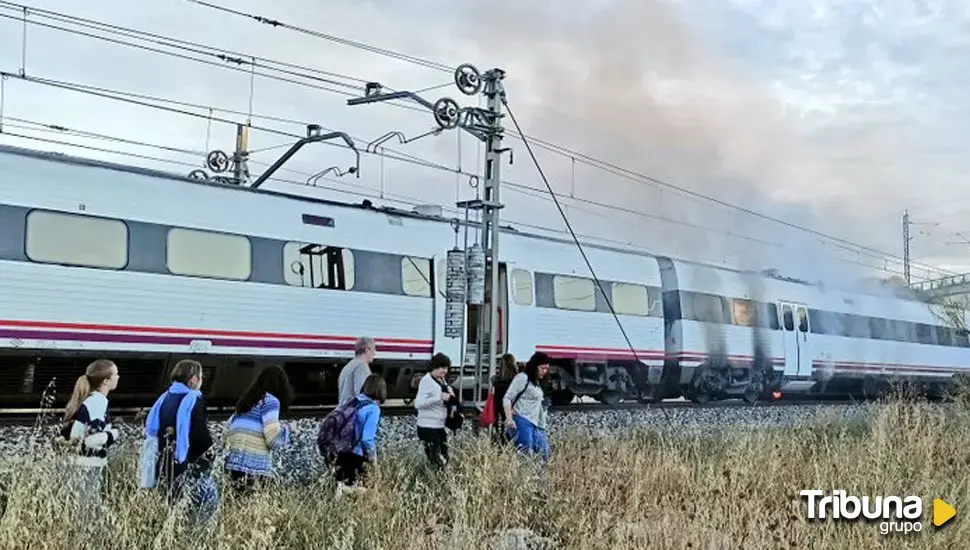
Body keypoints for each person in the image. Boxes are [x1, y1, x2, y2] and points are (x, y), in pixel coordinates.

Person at [144, 359, 216, 524]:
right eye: (200, 377)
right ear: (193, 380)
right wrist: (210, 455)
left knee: (172, 503)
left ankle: (172, 533)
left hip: (164, 460)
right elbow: (199, 433)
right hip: (187, 461)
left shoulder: (165, 397)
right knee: (205, 503)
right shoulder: (193, 399)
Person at [59, 359, 121, 517]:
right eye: (116, 374)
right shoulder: (97, 402)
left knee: (81, 508)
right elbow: (91, 439)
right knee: (86, 511)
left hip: (79, 463)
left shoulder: (90, 399)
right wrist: (113, 434)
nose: (118, 377)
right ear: (106, 381)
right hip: (87, 464)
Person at [224, 365, 294, 493]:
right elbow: (273, 439)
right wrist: (288, 429)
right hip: (255, 466)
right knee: (257, 502)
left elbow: (227, 428)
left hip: (233, 461)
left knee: (237, 503)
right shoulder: (271, 402)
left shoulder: (247, 400)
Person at [334, 374, 386, 496]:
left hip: (340, 450)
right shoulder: (373, 409)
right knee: (360, 490)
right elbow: (367, 439)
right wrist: (374, 461)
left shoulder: (351, 400)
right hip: (356, 454)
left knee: (340, 486)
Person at [503, 352, 552, 464]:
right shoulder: (522, 378)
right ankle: (526, 478)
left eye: (547, 368)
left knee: (545, 452)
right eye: (542, 368)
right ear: (535, 367)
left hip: (536, 424)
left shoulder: (536, 382)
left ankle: (539, 478)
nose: (545, 371)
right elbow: (507, 398)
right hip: (522, 420)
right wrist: (509, 419)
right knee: (525, 454)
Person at [413, 353, 455, 470]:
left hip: (439, 425)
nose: (445, 371)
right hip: (428, 426)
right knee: (436, 460)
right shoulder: (426, 381)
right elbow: (418, 403)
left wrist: (450, 395)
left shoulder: (441, 380)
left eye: (446, 368)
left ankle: (441, 482)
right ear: (435, 367)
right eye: (443, 367)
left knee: (444, 457)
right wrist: (439, 398)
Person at [337, 336, 376, 405]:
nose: (374, 353)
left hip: (346, 412)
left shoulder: (348, 366)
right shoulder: (361, 366)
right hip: (355, 413)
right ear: (367, 350)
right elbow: (362, 394)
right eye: (373, 350)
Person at [490, 354, 518, 443]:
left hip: (499, 416)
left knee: (500, 441)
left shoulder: (496, 381)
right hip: (514, 415)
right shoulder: (517, 381)